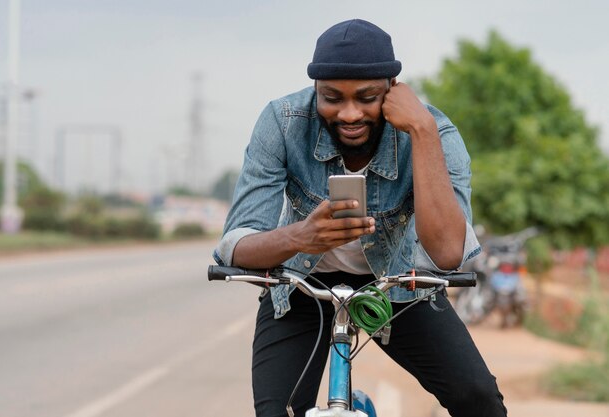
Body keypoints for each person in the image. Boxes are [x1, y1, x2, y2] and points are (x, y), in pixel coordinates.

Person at [213, 19, 507, 417]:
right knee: (276, 412)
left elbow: (447, 253)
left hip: (397, 286)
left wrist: (421, 131)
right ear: (315, 90)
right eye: (332, 98)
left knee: (479, 401)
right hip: (303, 286)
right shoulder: (282, 123)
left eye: (367, 97)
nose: (349, 113)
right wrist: (301, 236)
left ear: (392, 88)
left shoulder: (434, 131)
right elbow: (236, 245)